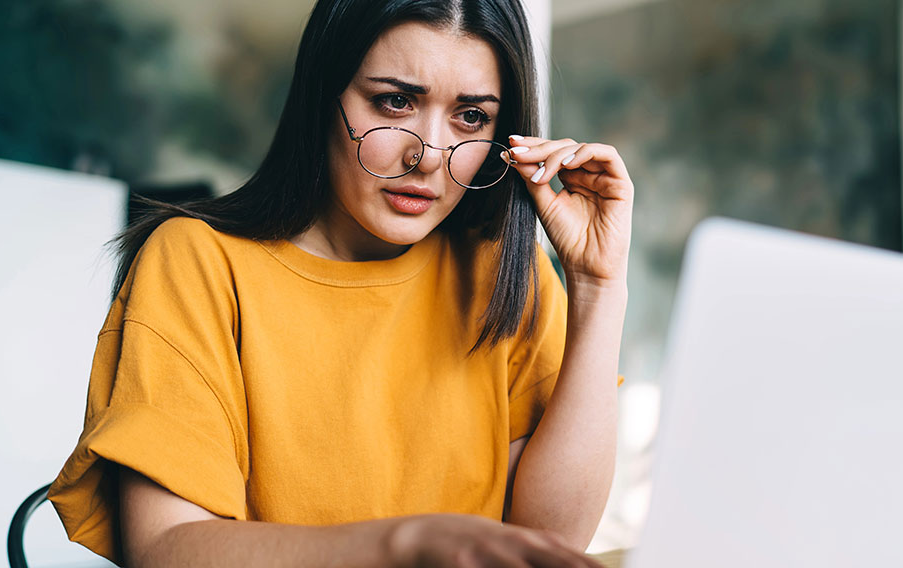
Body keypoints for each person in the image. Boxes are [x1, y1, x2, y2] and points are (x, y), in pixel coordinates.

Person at [47, 0, 633, 566]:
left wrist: (597, 286)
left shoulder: (504, 272)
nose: (429, 157)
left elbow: (551, 541)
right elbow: (165, 551)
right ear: (323, 96)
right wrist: (400, 548)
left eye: (471, 116)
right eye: (395, 102)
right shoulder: (198, 261)